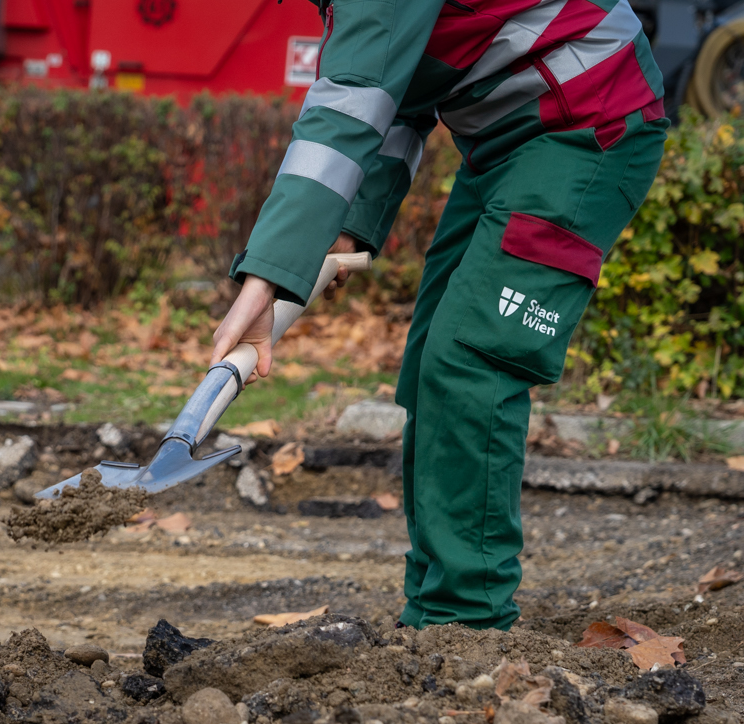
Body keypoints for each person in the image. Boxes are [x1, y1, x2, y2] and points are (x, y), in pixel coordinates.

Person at [212, 0, 668, 631]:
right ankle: (431, 609)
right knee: (432, 355)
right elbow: (397, 106)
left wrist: (268, 272)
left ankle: (465, 624)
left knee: (469, 359)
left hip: (587, 127)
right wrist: (347, 228)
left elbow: (346, 112)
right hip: (507, 143)